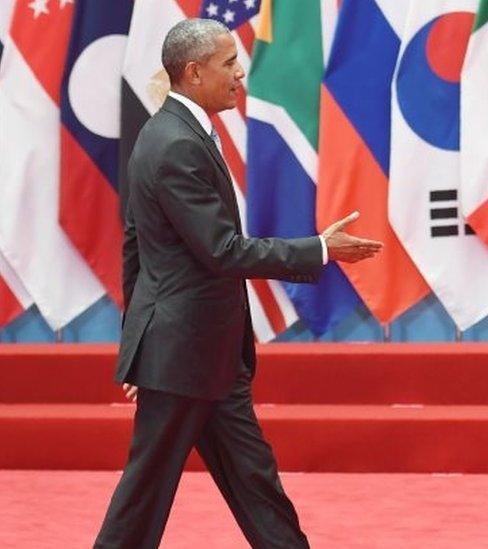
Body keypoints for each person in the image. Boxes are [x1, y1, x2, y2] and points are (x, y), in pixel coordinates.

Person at [94, 18, 382, 548]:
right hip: (183, 358)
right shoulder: (174, 144)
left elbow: (140, 251)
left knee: (256, 484)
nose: (240, 72)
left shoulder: (175, 134)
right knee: (144, 498)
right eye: (228, 63)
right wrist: (320, 247)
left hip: (206, 356)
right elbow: (222, 251)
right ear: (193, 71)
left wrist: (140, 346)